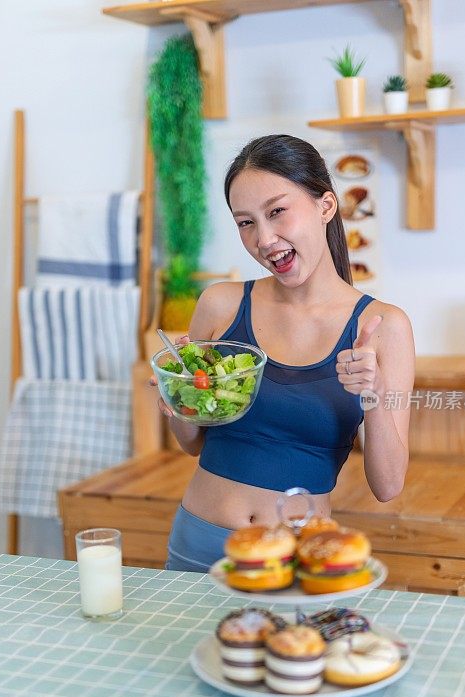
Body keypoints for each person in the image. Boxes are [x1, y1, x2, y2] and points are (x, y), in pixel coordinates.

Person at [156, 134, 415, 572]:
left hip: (297, 556)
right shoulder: (220, 305)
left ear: (325, 206)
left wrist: (371, 394)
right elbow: (194, 444)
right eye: (246, 222)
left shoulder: (383, 326)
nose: (264, 238)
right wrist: (180, 394)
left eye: (277, 212)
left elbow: (387, 485)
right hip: (198, 540)